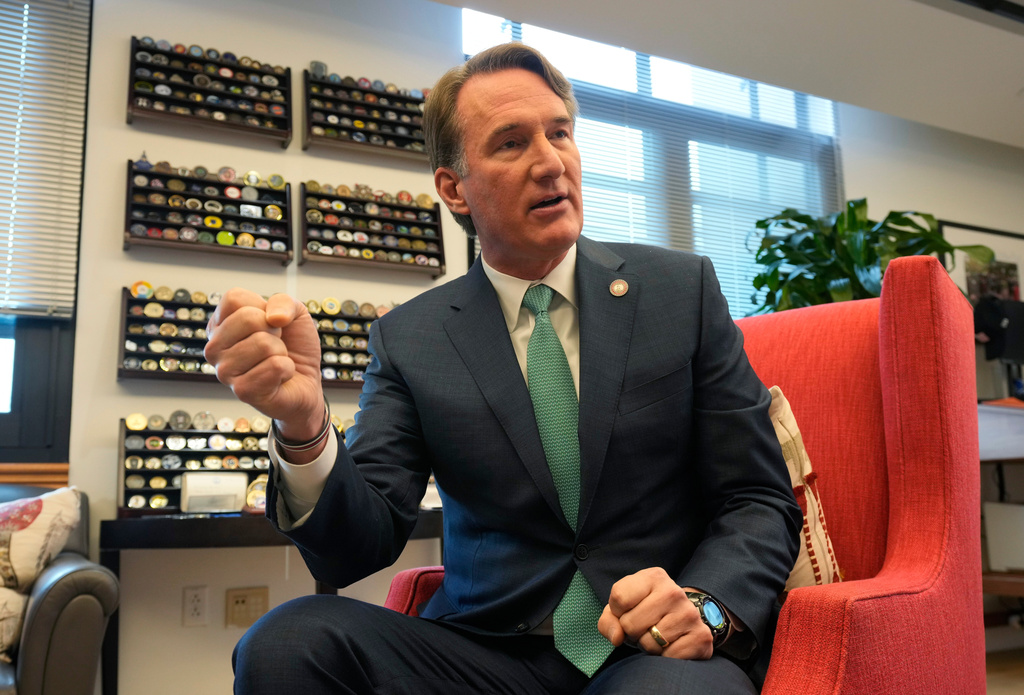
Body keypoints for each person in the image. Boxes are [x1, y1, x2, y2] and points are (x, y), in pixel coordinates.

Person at [206, 42, 800, 695]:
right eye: (512, 143)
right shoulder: (411, 339)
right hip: (485, 656)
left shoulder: (680, 291)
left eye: (560, 133)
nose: (550, 161)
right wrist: (304, 424)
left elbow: (757, 497)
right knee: (287, 641)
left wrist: (706, 604)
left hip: (652, 650)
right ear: (453, 188)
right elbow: (357, 546)